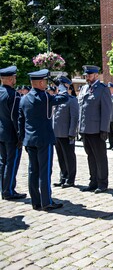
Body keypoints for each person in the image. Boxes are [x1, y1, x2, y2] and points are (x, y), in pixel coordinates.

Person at [18, 69, 69, 210]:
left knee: (32, 171)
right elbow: (64, 98)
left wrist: (23, 139)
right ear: (40, 82)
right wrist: (62, 86)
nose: (46, 84)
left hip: (29, 139)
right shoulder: (44, 97)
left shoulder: (23, 99)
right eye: (45, 81)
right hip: (44, 140)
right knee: (45, 171)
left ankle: (36, 201)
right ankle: (47, 201)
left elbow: (20, 121)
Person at [78, 65, 112, 193]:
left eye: (90, 75)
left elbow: (106, 110)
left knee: (100, 157)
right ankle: (93, 181)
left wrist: (104, 129)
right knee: (90, 156)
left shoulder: (102, 89)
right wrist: (79, 128)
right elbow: (81, 109)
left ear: (96, 75)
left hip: (97, 130)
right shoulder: (84, 88)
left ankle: (102, 182)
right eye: (86, 75)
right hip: (85, 129)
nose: (87, 78)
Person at [0, 66, 26, 200]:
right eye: (14, 77)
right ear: (10, 79)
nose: (15, 79)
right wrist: (20, 135)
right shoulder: (14, 95)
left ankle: (4, 188)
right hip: (11, 135)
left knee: (3, 162)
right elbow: (15, 117)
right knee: (11, 163)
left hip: (1, 133)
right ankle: (8, 190)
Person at [52, 76, 79, 188]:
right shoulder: (57, 98)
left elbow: (74, 117)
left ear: (67, 86)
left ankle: (70, 179)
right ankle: (63, 177)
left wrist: (72, 133)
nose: (59, 87)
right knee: (61, 156)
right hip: (56, 133)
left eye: (61, 85)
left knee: (69, 157)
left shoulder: (71, 100)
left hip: (66, 133)